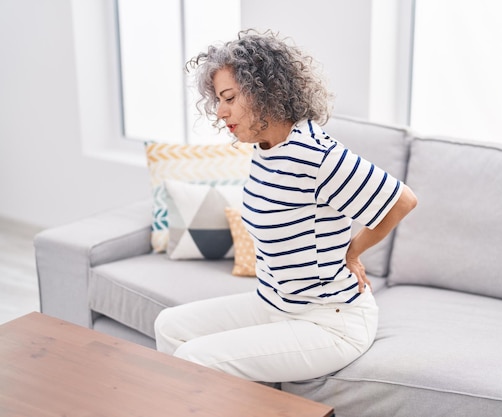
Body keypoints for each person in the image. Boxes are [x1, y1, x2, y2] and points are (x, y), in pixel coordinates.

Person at [154, 29, 417, 383]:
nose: (219, 112)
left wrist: (352, 254)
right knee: (169, 325)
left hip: (329, 321)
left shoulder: (315, 154)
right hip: (273, 305)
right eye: (217, 100)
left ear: (266, 92)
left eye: (229, 97)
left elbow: (402, 201)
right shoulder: (265, 149)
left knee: (193, 358)